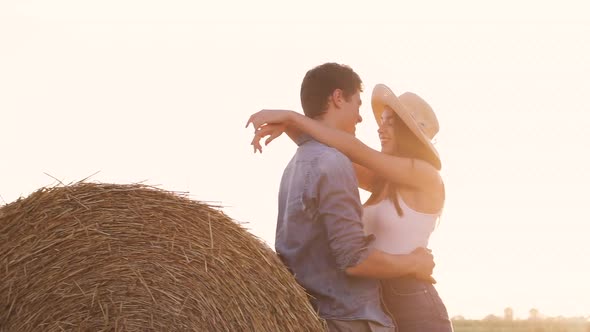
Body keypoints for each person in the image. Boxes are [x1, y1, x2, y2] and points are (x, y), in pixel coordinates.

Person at [246, 62, 437, 332]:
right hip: (381, 299)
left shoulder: (425, 175)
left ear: (411, 133)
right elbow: (333, 155)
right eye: (380, 121)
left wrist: (293, 118)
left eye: (390, 122)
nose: (376, 126)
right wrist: (293, 128)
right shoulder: (380, 178)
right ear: (338, 98)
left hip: (414, 302)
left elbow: (353, 151)